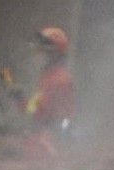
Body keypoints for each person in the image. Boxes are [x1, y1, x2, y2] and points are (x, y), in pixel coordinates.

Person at [24, 28, 78, 157]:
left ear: (53, 54)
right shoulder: (48, 77)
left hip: (51, 144)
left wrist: (19, 99)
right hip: (45, 140)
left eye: (40, 52)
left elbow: (41, 113)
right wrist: (20, 99)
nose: (36, 56)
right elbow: (36, 107)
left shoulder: (58, 79)